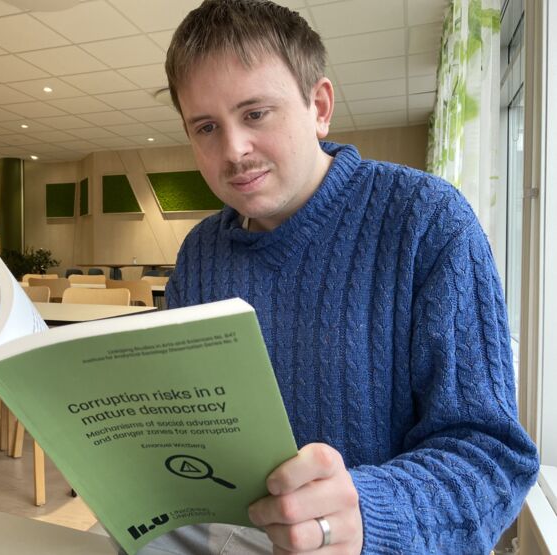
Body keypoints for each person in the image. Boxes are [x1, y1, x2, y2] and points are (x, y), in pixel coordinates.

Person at [151, 0, 541, 553]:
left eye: (256, 113)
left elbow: (493, 459)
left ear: (319, 106)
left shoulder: (427, 220)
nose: (233, 149)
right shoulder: (199, 254)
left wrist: (365, 511)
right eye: (206, 127)